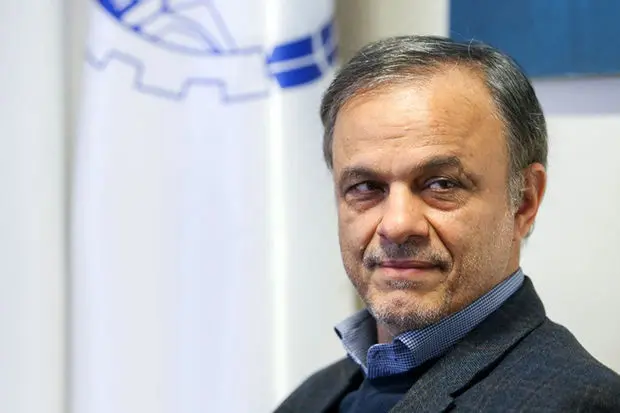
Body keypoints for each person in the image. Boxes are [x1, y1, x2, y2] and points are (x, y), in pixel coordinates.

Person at [274, 36, 620, 413]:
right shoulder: (309, 398)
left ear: (524, 201)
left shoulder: (575, 402)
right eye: (366, 187)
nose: (397, 225)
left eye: (441, 184)